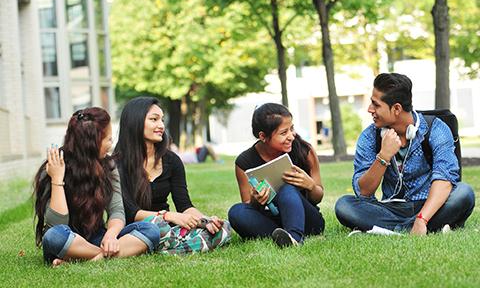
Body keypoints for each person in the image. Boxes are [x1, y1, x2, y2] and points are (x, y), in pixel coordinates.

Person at [335, 73, 475, 235]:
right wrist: (383, 157)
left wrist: (422, 218)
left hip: (430, 204)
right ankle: (415, 228)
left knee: (464, 193)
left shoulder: (436, 129)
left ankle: (403, 227)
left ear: (396, 109)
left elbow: (444, 180)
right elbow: (364, 192)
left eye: (376, 104)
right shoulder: (369, 136)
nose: (369, 109)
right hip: (390, 208)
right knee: (344, 205)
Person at [33, 107, 160, 266]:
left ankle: (84, 259)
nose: (111, 143)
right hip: (67, 239)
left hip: (97, 239)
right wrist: (57, 178)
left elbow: (117, 211)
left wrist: (111, 236)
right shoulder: (54, 166)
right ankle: (101, 256)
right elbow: (57, 225)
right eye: (107, 139)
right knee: (53, 236)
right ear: (91, 142)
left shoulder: (109, 165)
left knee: (151, 230)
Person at [113, 96, 231, 255]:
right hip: (138, 228)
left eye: (162, 120)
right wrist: (169, 216)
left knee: (224, 228)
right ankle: (180, 245)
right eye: (154, 119)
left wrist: (206, 221)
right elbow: (131, 212)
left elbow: (185, 206)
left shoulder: (171, 160)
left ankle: (168, 247)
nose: (161, 125)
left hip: (168, 226)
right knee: (155, 227)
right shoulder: (117, 164)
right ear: (136, 122)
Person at [228, 103, 325, 247]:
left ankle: (294, 238)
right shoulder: (244, 162)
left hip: (307, 219)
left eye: (291, 129)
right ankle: (282, 236)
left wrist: (310, 185)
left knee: (286, 189)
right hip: (270, 220)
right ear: (263, 136)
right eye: (283, 133)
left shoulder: (304, 151)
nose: (291, 136)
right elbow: (248, 206)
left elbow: (318, 198)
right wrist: (256, 200)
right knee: (236, 212)